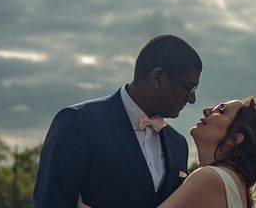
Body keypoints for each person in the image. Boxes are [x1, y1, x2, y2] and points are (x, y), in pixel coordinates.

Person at [33, 34, 202, 208]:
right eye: (188, 87)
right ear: (157, 78)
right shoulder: (79, 123)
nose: (192, 99)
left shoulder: (178, 144)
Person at [158, 96, 256, 208]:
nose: (207, 110)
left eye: (221, 111)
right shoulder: (239, 188)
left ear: (234, 138)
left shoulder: (209, 178)